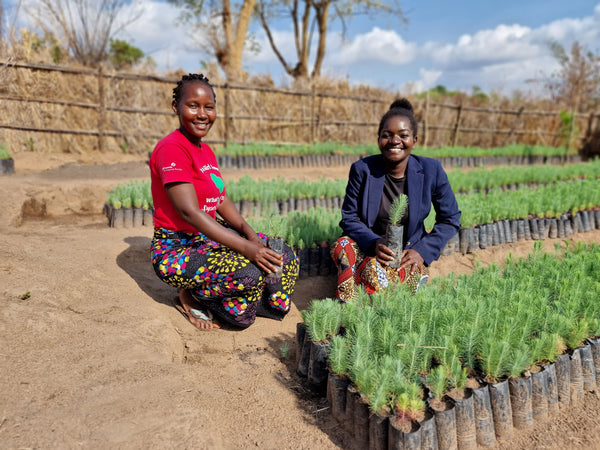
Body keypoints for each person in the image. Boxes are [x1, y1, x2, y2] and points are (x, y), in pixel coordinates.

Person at [150, 73, 298, 329]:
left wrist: (251, 235)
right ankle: (194, 295)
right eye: (192, 105)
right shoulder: (172, 148)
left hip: (208, 240)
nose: (202, 114)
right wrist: (247, 248)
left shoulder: (205, 151)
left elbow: (220, 200)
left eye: (209, 107)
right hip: (177, 250)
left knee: (284, 254)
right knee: (248, 274)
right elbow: (190, 212)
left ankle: (253, 301)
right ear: (176, 107)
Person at [331, 98, 461, 301]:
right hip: (368, 248)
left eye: (403, 135)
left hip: (407, 253)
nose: (394, 141)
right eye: (387, 135)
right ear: (378, 139)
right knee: (343, 246)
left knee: (401, 298)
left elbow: (450, 218)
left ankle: (378, 292)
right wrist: (373, 243)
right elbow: (349, 217)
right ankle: (348, 306)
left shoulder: (431, 170)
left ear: (414, 141)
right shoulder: (362, 170)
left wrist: (421, 251)